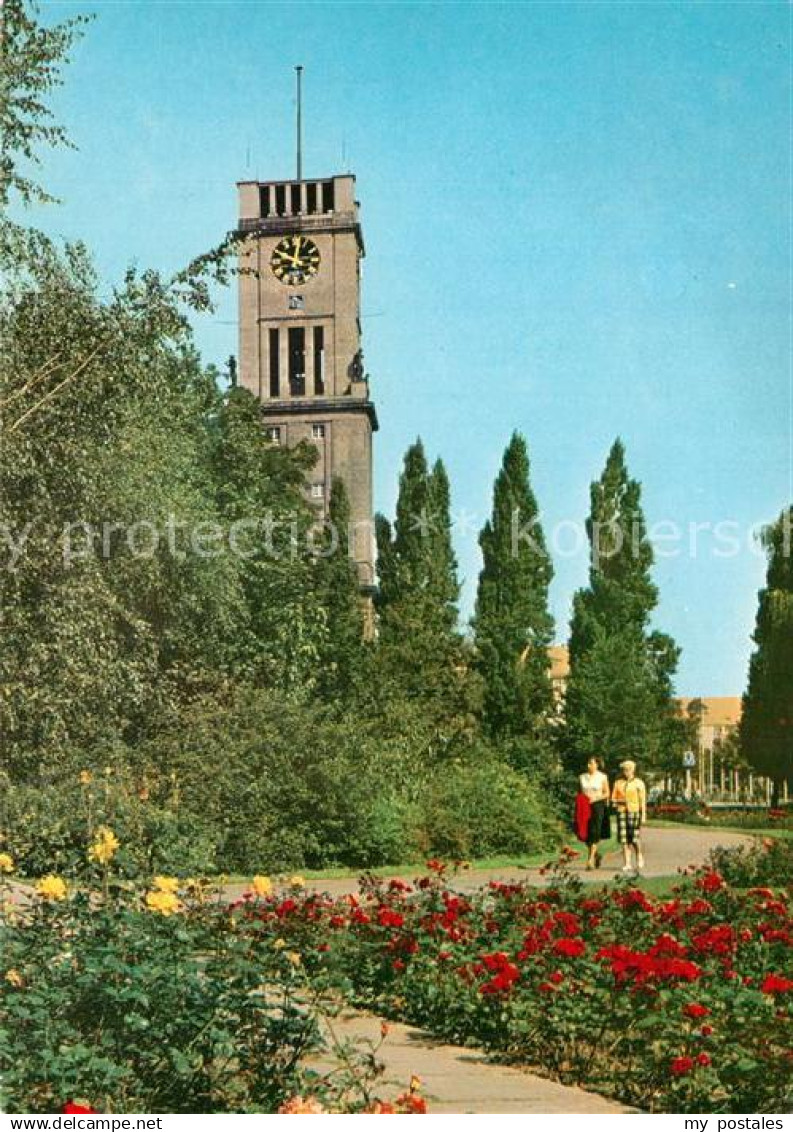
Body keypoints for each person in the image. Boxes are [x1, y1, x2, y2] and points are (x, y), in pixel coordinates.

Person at [611, 759, 647, 872]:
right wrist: (618, 801)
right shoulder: (618, 783)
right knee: (624, 838)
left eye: (627, 770)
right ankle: (627, 862)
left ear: (632, 770)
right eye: (624, 770)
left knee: (634, 837)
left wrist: (643, 814)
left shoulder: (639, 783)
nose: (625, 772)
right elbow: (613, 798)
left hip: (634, 811)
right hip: (622, 811)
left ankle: (639, 856)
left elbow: (642, 800)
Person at [579, 757, 610, 869]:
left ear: (597, 765)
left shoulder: (602, 777)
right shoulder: (582, 777)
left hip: (597, 806)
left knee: (595, 832)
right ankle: (596, 854)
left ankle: (590, 859)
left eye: (591, 763)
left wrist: (596, 798)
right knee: (585, 834)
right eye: (588, 763)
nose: (589, 765)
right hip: (584, 806)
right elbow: (579, 793)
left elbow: (607, 793)